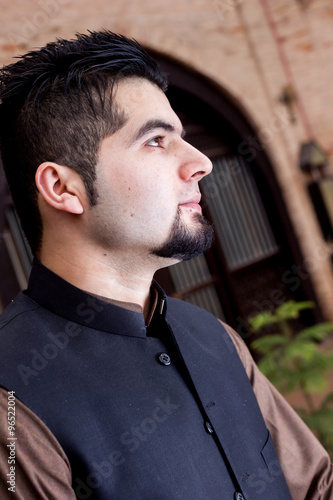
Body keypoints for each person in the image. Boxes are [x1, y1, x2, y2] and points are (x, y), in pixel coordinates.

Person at [0, 30, 331, 500]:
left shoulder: (216, 336)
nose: (201, 162)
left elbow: (316, 485)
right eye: (156, 140)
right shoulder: (11, 402)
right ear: (63, 188)